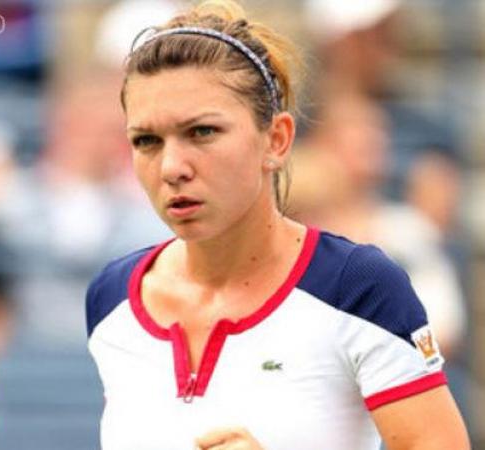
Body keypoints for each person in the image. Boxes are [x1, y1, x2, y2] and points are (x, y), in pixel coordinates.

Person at [84, 1, 469, 449]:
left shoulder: (359, 286)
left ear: (277, 140)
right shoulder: (111, 297)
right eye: (146, 140)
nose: (171, 167)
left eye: (202, 132)